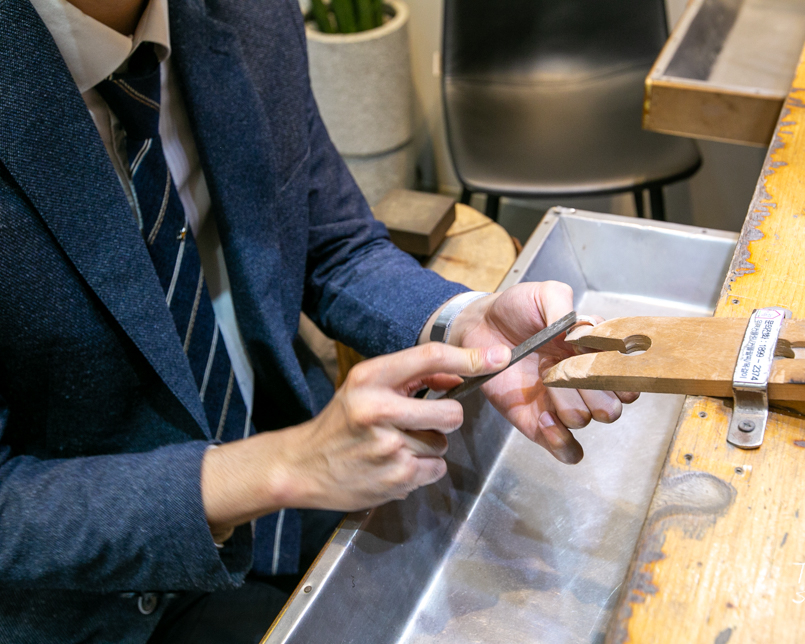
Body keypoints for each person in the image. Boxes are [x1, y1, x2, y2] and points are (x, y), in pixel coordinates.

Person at [0, 0, 637, 641]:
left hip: (287, 497)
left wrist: (463, 321)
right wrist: (278, 466)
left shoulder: (244, 15)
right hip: (84, 598)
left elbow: (331, 241)